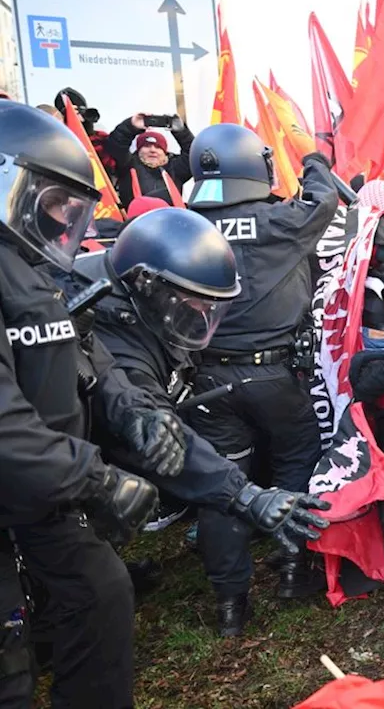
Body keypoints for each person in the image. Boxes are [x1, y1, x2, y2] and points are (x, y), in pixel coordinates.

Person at [70, 208, 334, 636]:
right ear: (149, 288)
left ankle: (231, 602)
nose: (200, 319)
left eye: (210, 309)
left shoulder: (133, 307)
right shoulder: (107, 317)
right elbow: (131, 393)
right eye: (191, 307)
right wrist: (245, 495)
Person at [0, 101, 174, 709]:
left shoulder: (30, 271)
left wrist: (133, 409)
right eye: (54, 203)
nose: (61, 224)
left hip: (36, 491)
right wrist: (96, 480)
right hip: (34, 476)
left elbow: (83, 354)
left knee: (99, 591)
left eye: (73, 212)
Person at [185, 123, 339, 631]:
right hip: (276, 375)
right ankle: (294, 570)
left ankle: (231, 607)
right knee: (297, 459)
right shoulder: (280, 221)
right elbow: (323, 201)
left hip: (208, 380)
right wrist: (315, 160)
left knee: (223, 484)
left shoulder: (185, 224)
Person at [106, 113, 194, 208]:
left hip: (171, 220)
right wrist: (131, 126)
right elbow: (116, 145)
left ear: (165, 152)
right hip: (135, 220)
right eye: (147, 146)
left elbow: (195, 154)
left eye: (158, 147)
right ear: (138, 150)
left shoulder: (175, 168)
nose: (152, 150)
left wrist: (181, 131)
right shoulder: (128, 164)